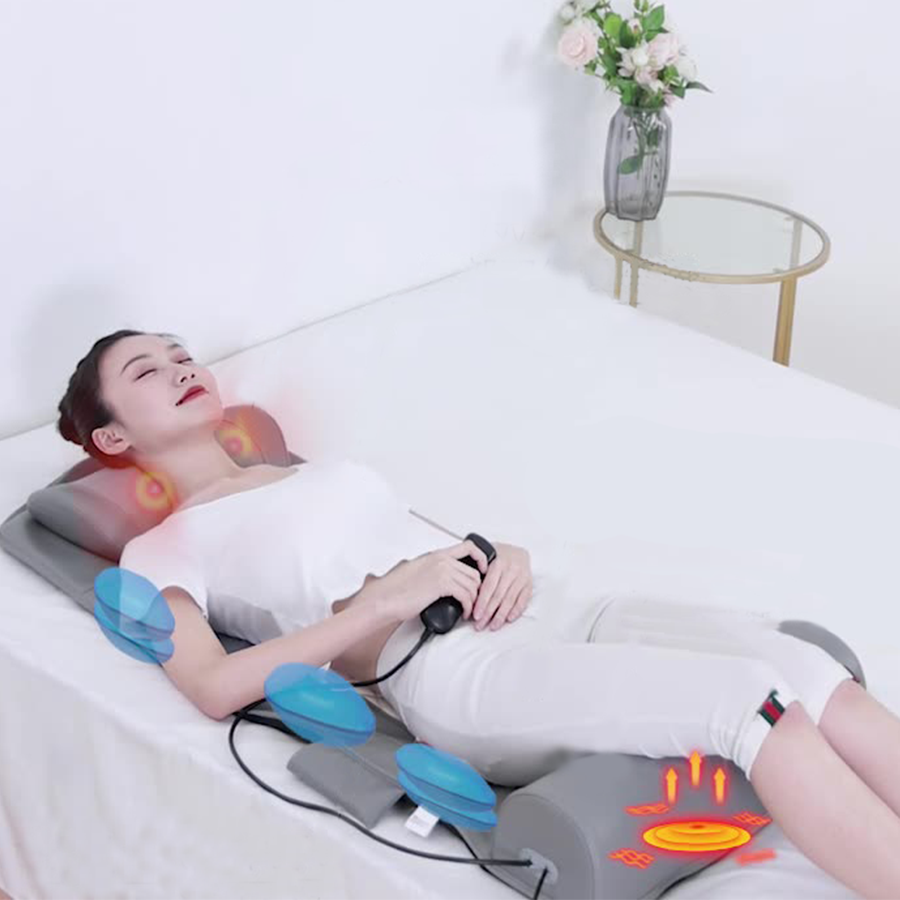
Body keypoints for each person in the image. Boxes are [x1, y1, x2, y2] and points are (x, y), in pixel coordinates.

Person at [57, 329, 900, 899]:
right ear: (114, 439)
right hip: (456, 670)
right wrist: (382, 603)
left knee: (809, 672)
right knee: (752, 702)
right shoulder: (165, 547)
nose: (179, 367)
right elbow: (212, 684)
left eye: (180, 353)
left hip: (545, 603)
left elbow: (424, 536)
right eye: (146, 371)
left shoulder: (306, 472)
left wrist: (508, 554)